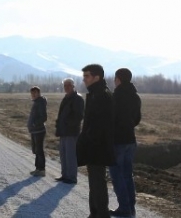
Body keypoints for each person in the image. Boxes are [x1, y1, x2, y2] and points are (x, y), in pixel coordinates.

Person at [76, 64, 115, 218]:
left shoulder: (103, 95)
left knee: (98, 183)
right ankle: (95, 213)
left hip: (98, 146)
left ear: (96, 77)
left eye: (87, 76)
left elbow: (100, 125)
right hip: (93, 146)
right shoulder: (94, 94)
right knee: (94, 182)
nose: (84, 79)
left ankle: (102, 214)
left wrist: (88, 140)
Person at [108, 68, 142, 218]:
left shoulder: (116, 96)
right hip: (130, 139)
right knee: (128, 175)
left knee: (117, 175)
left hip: (118, 140)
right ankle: (131, 207)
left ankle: (124, 208)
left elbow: (110, 118)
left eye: (115, 78)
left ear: (118, 79)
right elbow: (137, 119)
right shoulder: (135, 97)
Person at [55, 78, 84, 184]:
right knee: (63, 155)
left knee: (70, 155)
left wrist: (68, 124)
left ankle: (71, 177)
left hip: (71, 132)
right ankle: (65, 175)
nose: (66, 87)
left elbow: (79, 116)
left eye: (69, 85)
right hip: (63, 131)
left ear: (73, 86)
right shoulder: (66, 98)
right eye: (65, 86)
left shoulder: (77, 98)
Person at [27, 86, 48, 177]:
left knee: (39, 150)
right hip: (34, 131)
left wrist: (35, 123)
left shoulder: (40, 102)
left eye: (35, 93)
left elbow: (44, 117)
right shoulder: (36, 102)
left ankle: (42, 169)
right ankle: (37, 168)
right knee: (36, 150)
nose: (33, 95)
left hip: (39, 130)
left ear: (39, 93)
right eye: (32, 93)